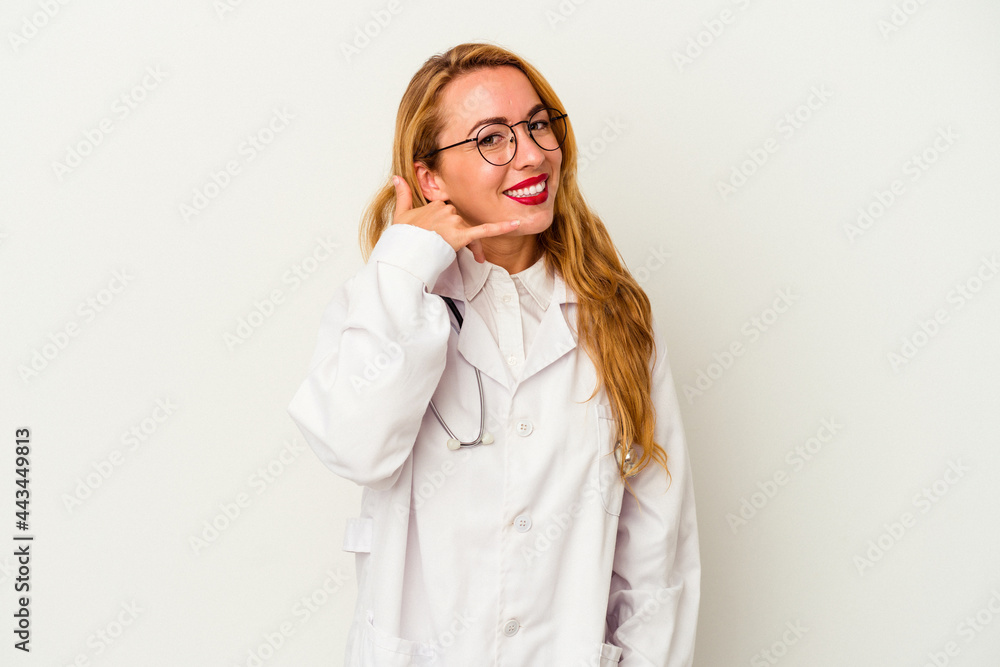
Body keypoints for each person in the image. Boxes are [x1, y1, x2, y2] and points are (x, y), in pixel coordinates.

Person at [287, 42, 700, 667]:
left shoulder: (618, 321)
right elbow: (354, 445)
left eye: (538, 125)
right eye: (491, 138)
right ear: (429, 178)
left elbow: (656, 549)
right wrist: (405, 259)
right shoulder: (386, 299)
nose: (532, 153)